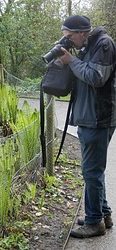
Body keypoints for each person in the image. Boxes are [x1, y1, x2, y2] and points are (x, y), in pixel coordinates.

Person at [58, 15, 116, 238]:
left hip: (98, 118)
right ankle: (103, 214)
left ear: (82, 32)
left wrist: (71, 61)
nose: (69, 41)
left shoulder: (104, 44)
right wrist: (68, 59)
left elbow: (95, 77)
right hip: (88, 117)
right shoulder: (87, 46)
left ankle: (94, 223)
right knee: (93, 171)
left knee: (91, 171)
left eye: (70, 37)